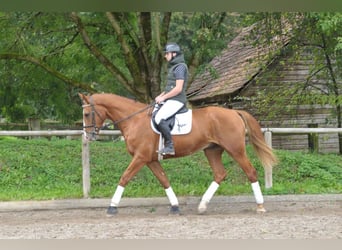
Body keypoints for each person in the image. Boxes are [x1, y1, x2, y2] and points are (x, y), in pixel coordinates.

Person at [154, 42, 189, 155]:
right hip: (172, 98)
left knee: (159, 118)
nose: (165, 56)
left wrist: (164, 97)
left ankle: (169, 146)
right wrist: (161, 95)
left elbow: (178, 88)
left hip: (177, 99)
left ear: (174, 54)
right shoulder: (174, 67)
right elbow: (170, 87)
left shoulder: (180, 68)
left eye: (167, 54)